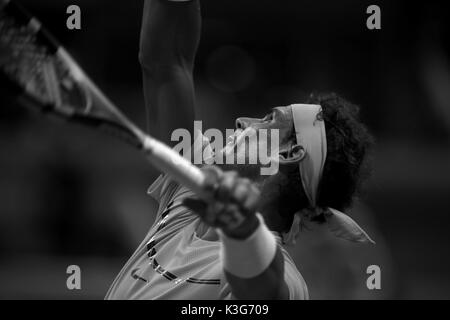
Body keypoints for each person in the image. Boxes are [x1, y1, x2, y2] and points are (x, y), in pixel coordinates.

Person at [105, 0, 375, 300]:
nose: (242, 121)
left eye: (269, 119)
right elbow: (164, 64)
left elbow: (260, 289)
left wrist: (243, 233)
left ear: (288, 153)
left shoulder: (287, 282)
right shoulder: (192, 186)